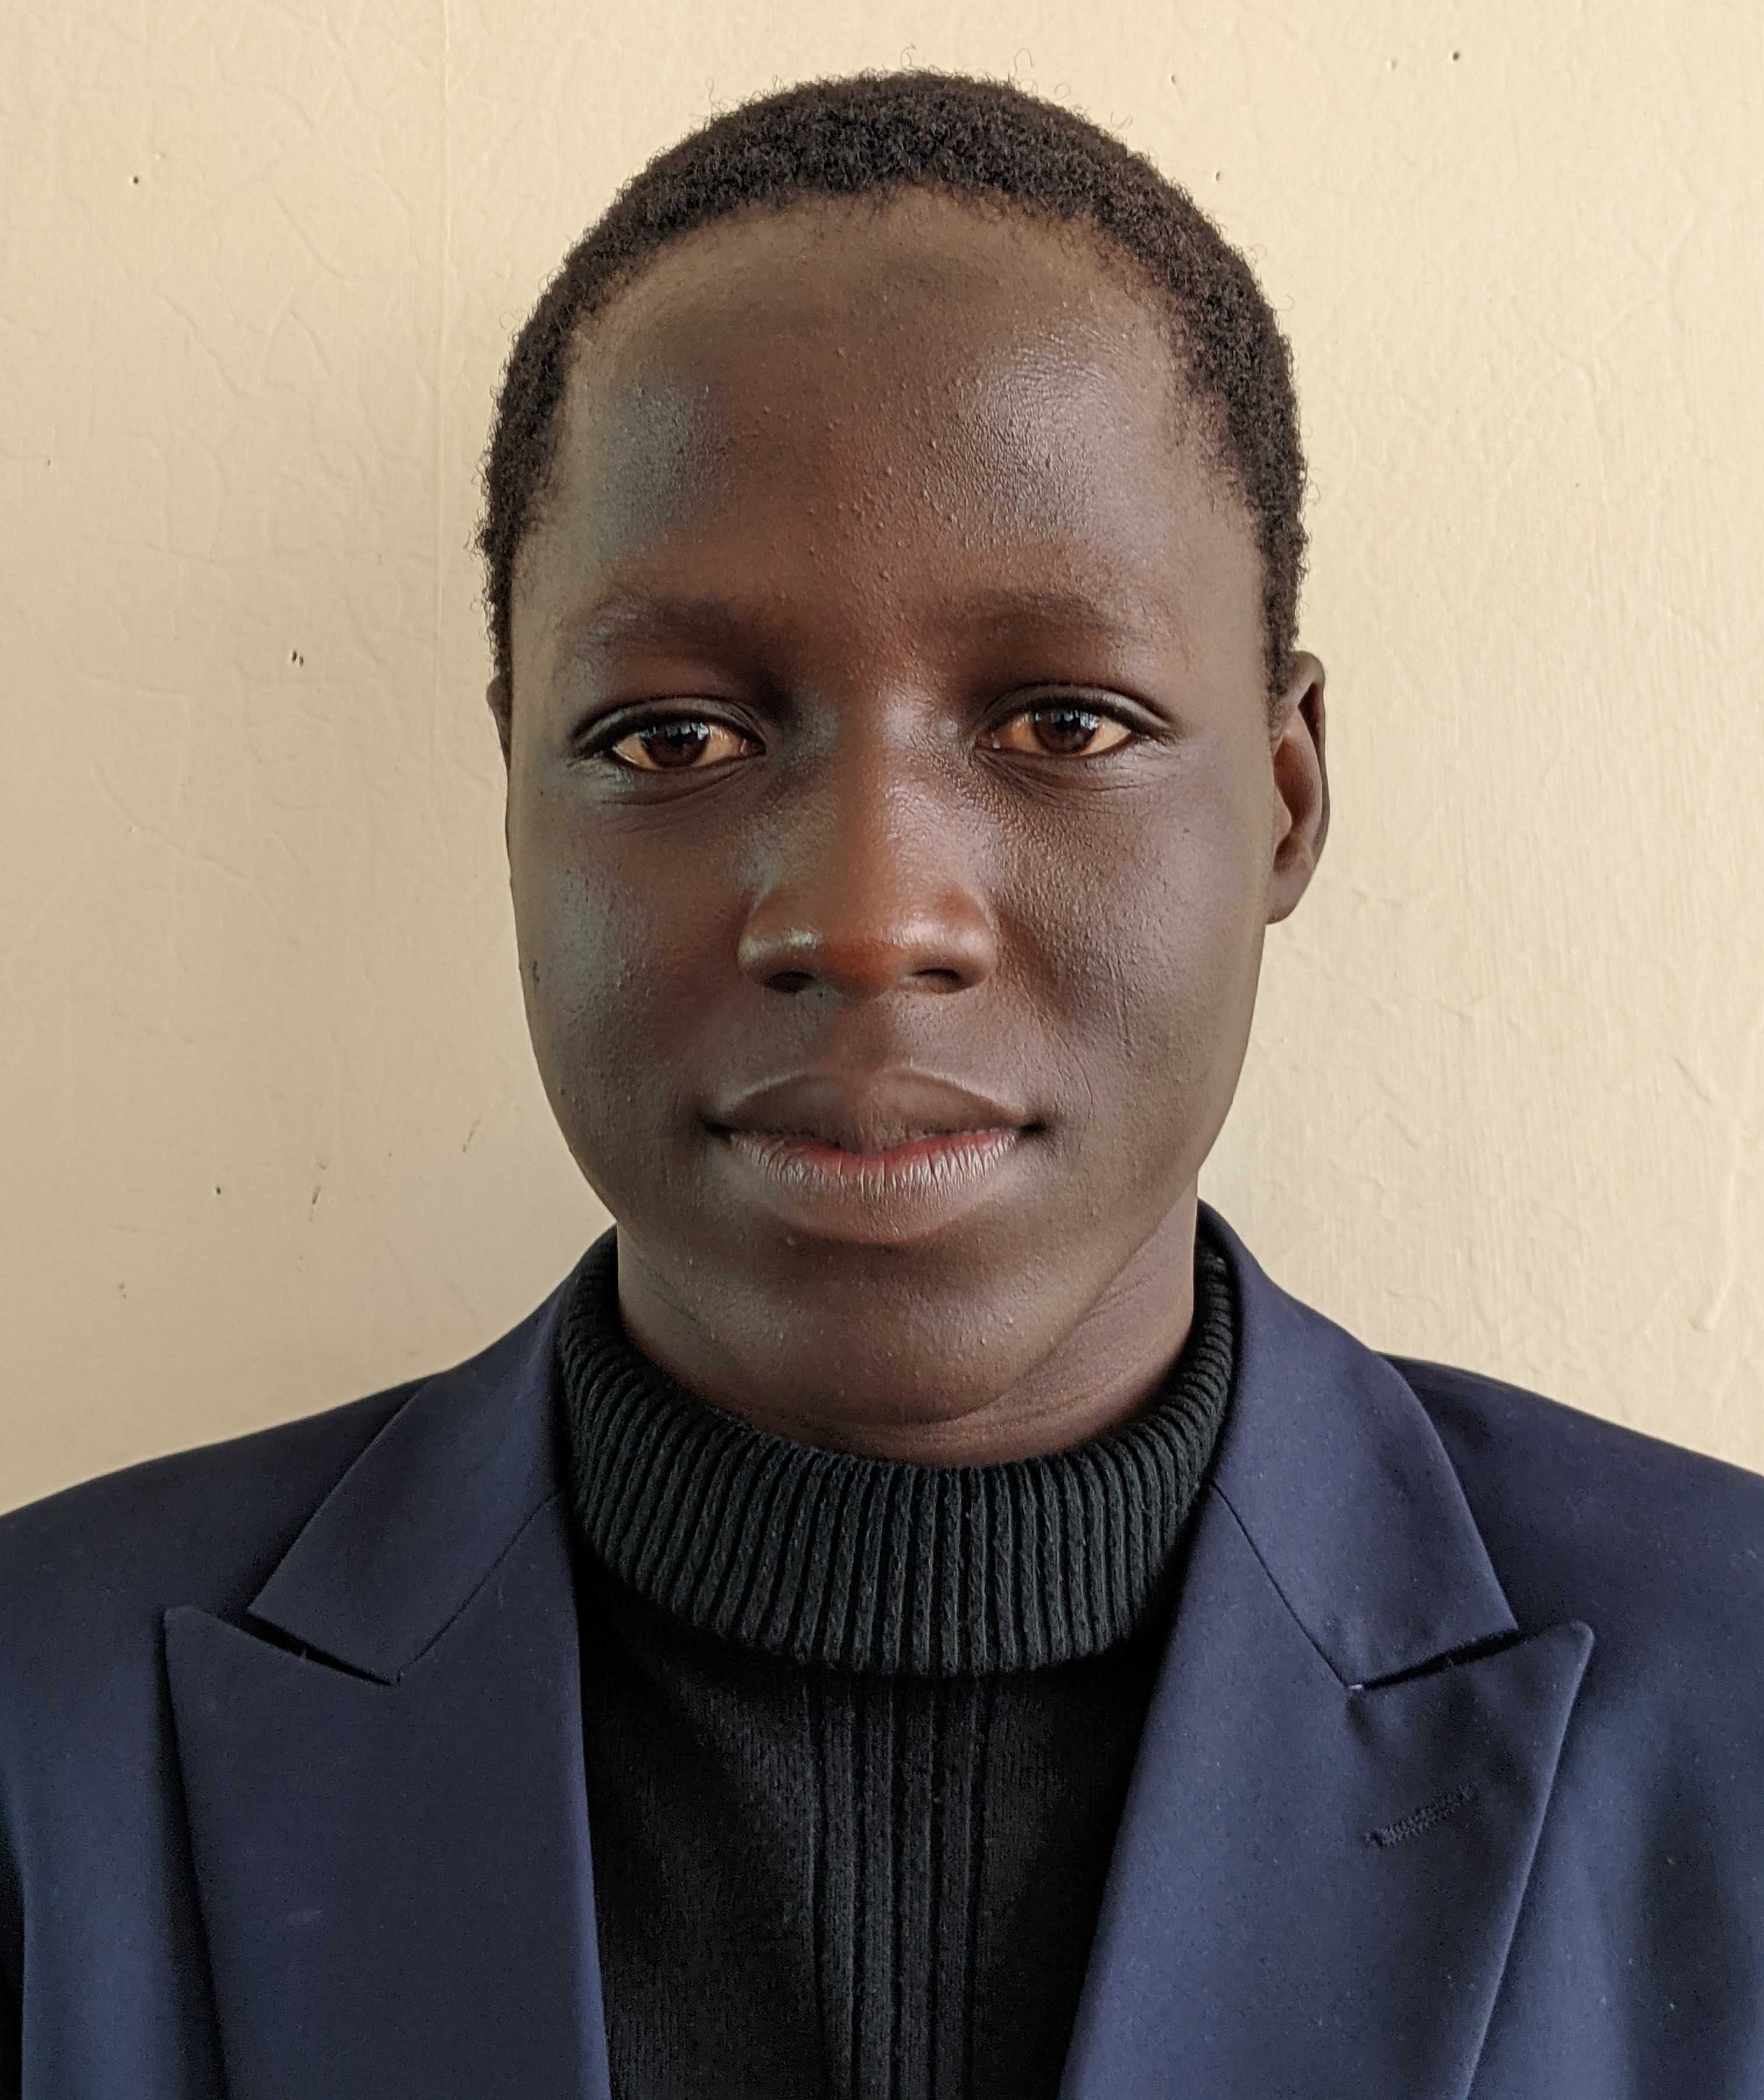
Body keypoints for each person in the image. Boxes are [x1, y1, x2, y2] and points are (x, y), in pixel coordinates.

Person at [1, 68, 1760, 2100]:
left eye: (1064, 722)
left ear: (1285, 800)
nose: (864, 919)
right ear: (513, 794)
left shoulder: (1734, 1713)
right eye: (671, 738)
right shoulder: (45, 1745)